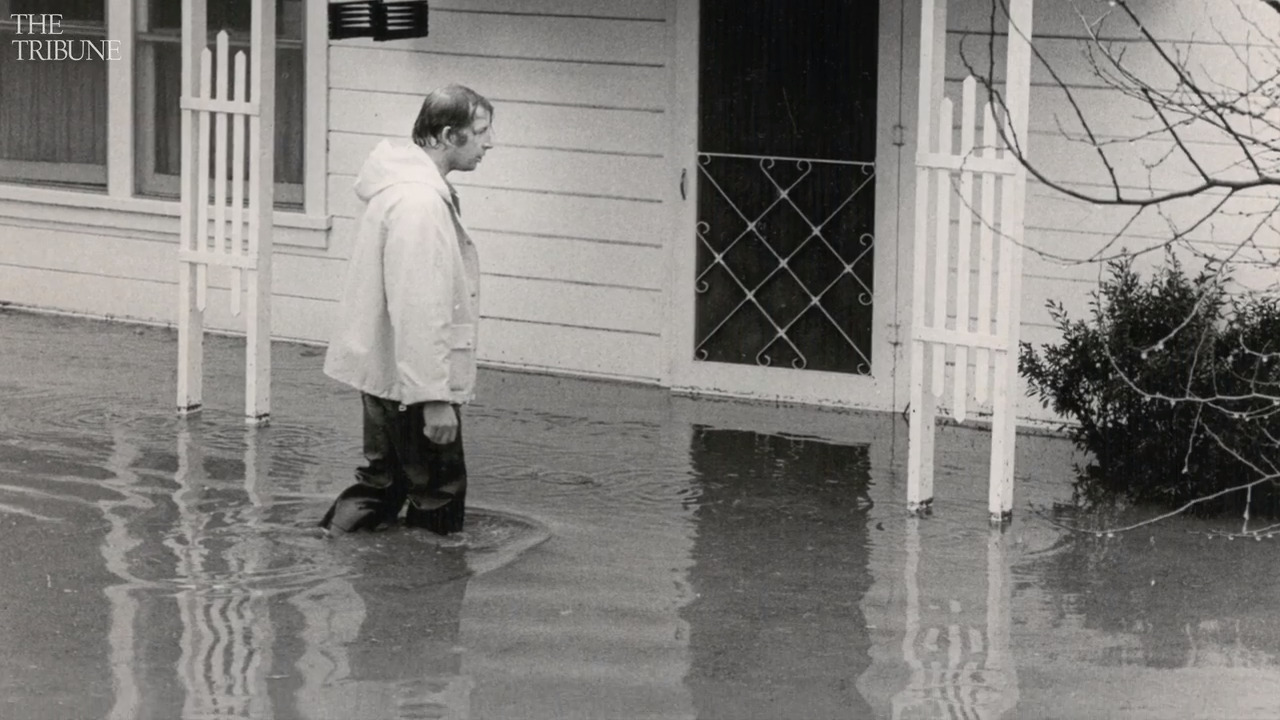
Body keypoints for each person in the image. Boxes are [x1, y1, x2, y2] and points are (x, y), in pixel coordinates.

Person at [320, 84, 494, 535]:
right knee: (438, 490)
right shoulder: (418, 203)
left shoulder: (401, 190)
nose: (488, 143)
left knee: (384, 484)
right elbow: (420, 306)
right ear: (446, 134)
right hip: (412, 381)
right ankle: (429, 593)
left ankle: (333, 547)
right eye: (480, 132)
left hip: (392, 372)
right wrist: (434, 399)